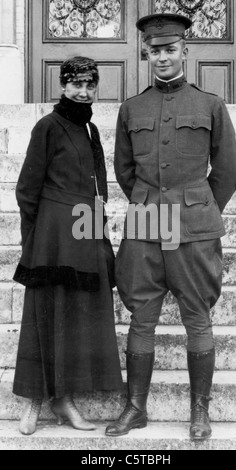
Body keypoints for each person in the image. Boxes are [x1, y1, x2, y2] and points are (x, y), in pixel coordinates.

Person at [105, 14, 236, 441]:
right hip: (145, 226)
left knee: (197, 317)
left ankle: (200, 412)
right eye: (155, 50)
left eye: (170, 49)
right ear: (145, 54)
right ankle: (136, 408)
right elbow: (124, 171)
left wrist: (198, 209)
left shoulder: (211, 105)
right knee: (141, 318)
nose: (162, 57)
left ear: (185, 51)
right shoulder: (132, 108)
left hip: (194, 230)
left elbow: (228, 170)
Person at [13, 56, 123, 435]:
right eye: (75, 83)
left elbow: (99, 191)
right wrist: (37, 239)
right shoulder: (47, 127)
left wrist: (100, 237)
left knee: (75, 317)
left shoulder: (91, 132)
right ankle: (33, 402)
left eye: (90, 85)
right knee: (43, 316)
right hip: (51, 240)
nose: (83, 91)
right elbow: (27, 190)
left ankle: (65, 400)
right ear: (62, 86)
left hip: (85, 233)